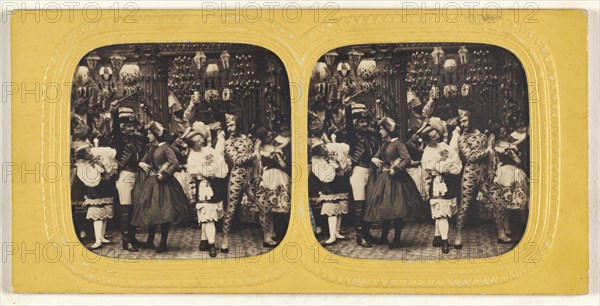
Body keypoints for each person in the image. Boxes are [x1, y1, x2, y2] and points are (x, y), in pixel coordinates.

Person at [364, 117, 423, 249]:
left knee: (397, 209)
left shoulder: (398, 144)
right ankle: (384, 237)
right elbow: (376, 156)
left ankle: (396, 239)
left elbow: (407, 159)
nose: (380, 131)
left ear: (388, 130)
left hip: (397, 180)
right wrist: (374, 160)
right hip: (384, 179)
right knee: (386, 208)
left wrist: (396, 169)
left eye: (381, 129)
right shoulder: (385, 144)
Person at [131, 121, 189, 253]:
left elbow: (175, 163)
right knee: (151, 211)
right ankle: (150, 241)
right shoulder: (151, 148)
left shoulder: (166, 147)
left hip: (164, 183)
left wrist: (165, 174)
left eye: (150, 133)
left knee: (164, 211)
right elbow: (143, 160)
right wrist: (141, 164)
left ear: (156, 134)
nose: (148, 136)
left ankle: (163, 243)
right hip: (151, 183)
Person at [183, 123, 229, 257]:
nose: (201, 141)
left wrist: (216, 169)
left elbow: (221, 162)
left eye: (200, 138)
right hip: (204, 187)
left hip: (216, 185)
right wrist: (208, 169)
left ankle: (203, 240)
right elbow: (195, 170)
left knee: (210, 215)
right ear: (192, 144)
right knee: (208, 217)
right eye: (197, 141)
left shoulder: (209, 150)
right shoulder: (192, 157)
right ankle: (211, 244)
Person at [479, 123, 529, 243]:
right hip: (510, 173)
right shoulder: (505, 146)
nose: (504, 133)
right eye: (501, 132)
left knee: (506, 203)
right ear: (497, 134)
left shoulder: (495, 145)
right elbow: (518, 161)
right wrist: (516, 157)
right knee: (519, 202)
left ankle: (508, 229)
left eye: (504, 131)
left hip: (501, 173)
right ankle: (525, 226)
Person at [110, 103, 146, 252]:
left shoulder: (136, 140)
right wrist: (114, 111)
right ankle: (126, 241)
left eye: (133, 126)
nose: (132, 129)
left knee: (134, 208)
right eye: (128, 126)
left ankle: (132, 237)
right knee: (125, 208)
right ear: (123, 128)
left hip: (135, 175)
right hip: (124, 175)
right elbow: (115, 128)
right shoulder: (120, 139)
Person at [421, 126, 462, 253]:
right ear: (427, 140)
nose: (437, 137)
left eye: (437, 134)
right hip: (438, 183)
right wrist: (443, 161)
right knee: (441, 212)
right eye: (433, 136)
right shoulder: (427, 153)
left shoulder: (443, 145)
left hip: (450, 181)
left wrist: (450, 164)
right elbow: (431, 168)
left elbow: (455, 157)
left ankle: (437, 237)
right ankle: (445, 241)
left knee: (445, 211)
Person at [454, 109, 492, 249]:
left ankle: (501, 233)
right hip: (470, 174)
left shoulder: (483, 135)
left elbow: (489, 158)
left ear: (472, 119)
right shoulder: (462, 138)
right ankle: (458, 235)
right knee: (464, 205)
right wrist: (487, 150)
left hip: (484, 174)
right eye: (461, 121)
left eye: (465, 120)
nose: (462, 124)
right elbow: (471, 157)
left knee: (497, 203)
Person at [221, 113, 258, 253]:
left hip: (251, 178)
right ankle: (224, 238)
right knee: (231, 209)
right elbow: (237, 161)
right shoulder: (228, 142)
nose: (229, 128)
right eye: (228, 125)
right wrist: (253, 155)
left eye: (232, 125)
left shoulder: (248, 139)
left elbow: (254, 161)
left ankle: (267, 236)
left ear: (239, 124)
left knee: (262, 206)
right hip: (237, 177)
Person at [71, 141, 117, 250]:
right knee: (97, 214)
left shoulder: (95, 159)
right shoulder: (83, 165)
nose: (90, 152)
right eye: (87, 151)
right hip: (94, 190)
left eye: (89, 150)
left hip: (104, 187)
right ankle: (97, 240)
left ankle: (101, 237)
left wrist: (102, 165)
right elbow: (89, 178)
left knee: (105, 211)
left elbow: (106, 171)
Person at [344, 102, 377, 248]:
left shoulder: (370, 135)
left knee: (369, 203)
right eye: (361, 122)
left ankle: (367, 232)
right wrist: (347, 108)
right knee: (359, 204)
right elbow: (349, 125)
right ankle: (360, 235)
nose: (364, 124)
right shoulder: (352, 136)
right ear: (355, 123)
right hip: (358, 171)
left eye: (365, 121)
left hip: (370, 171)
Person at [311, 140, 352, 246]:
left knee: (340, 208)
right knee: (332, 210)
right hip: (329, 186)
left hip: (339, 184)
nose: (325, 149)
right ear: (318, 153)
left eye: (324, 146)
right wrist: (332, 164)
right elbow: (325, 177)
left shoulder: (330, 152)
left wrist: (337, 161)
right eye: (322, 149)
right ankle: (332, 236)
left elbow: (344, 149)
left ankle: (337, 232)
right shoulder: (317, 161)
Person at [255, 127, 291, 247]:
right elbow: (283, 164)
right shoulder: (272, 150)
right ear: (264, 139)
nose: (272, 137)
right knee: (274, 205)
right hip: (274, 176)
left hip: (267, 176)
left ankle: (271, 233)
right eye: (269, 136)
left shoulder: (262, 149)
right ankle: (269, 235)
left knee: (269, 207)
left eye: (272, 135)